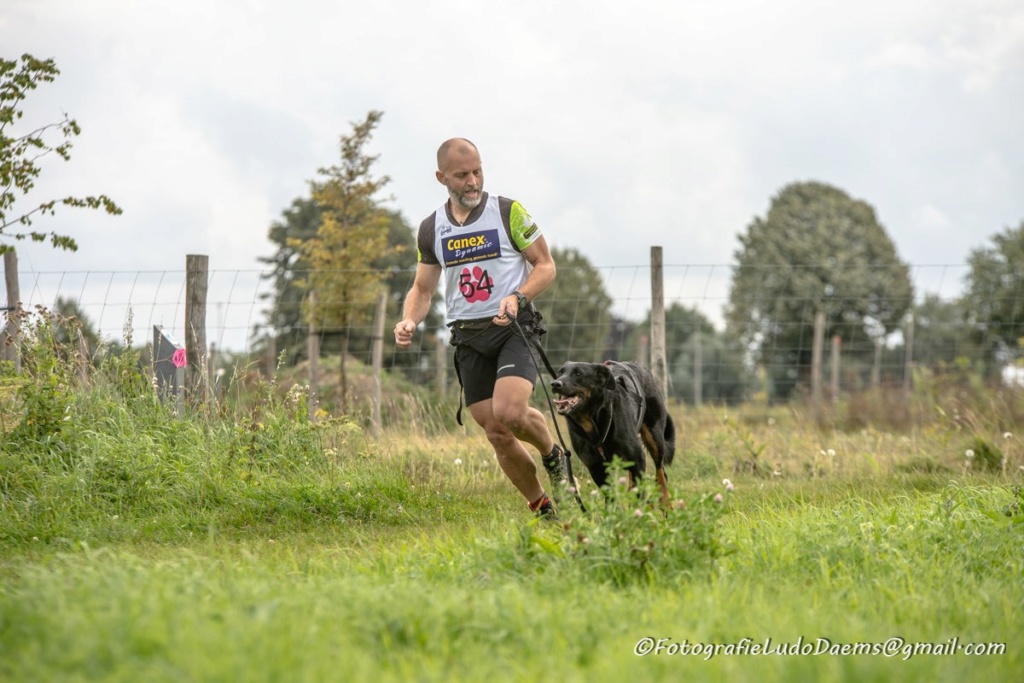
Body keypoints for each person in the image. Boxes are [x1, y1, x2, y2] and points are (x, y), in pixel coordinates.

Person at [394, 138, 567, 518]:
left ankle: (555, 456)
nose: (473, 181)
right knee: (496, 432)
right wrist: (409, 319)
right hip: (468, 337)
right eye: (462, 175)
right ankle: (543, 507)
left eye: (477, 171)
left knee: (510, 411)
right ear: (441, 177)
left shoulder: (508, 212)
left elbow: (545, 266)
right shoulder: (430, 229)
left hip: (513, 327)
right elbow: (422, 288)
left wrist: (518, 297)